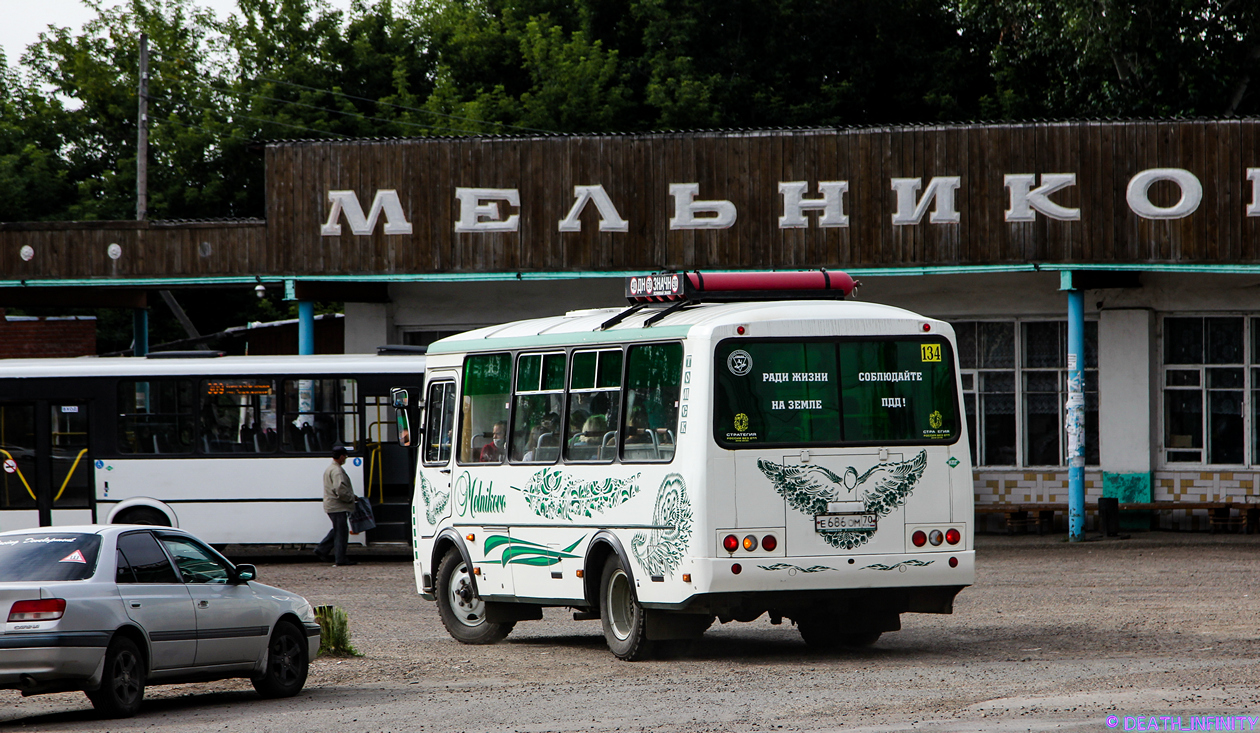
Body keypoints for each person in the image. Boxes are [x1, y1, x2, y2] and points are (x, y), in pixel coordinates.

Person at [315, 446, 357, 566]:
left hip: (332, 505)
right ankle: (340, 559)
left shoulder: (331, 468)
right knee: (341, 533)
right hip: (338, 506)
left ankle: (322, 549)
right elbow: (340, 489)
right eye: (345, 456)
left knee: (338, 530)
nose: (345, 459)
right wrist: (350, 498)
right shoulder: (337, 471)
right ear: (342, 456)